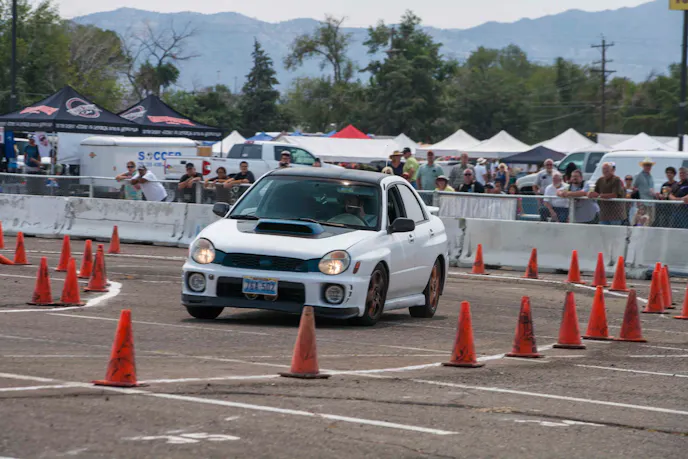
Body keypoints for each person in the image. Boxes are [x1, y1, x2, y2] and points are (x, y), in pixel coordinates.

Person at [632, 157, 656, 225]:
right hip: (642, 202)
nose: (648, 167)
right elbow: (633, 187)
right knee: (641, 220)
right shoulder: (638, 176)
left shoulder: (651, 176)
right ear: (643, 166)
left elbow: (651, 189)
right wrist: (638, 199)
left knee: (651, 220)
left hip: (651, 202)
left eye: (649, 165)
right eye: (647, 165)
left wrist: (654, 193)